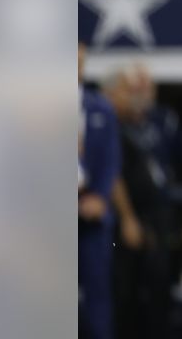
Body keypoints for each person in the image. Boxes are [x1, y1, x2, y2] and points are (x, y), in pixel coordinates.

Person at [79, 42, 120, 339]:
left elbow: (111, 159)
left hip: (91, 217)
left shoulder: (99, 107)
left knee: (98, 296)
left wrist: (100, 195)